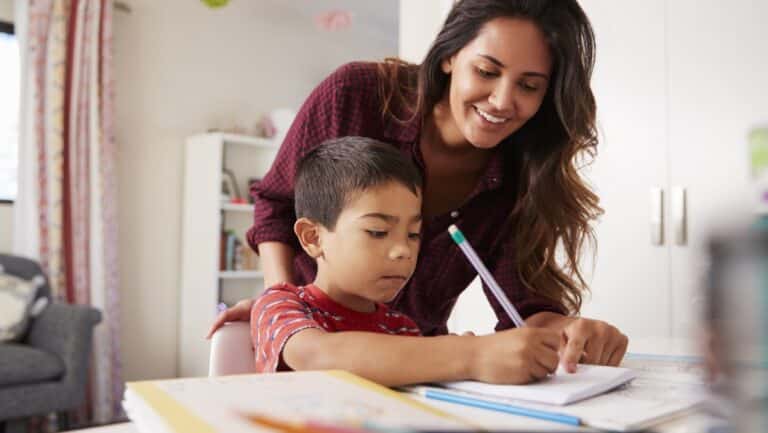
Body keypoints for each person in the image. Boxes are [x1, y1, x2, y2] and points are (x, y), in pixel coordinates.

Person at [209, 0, 629, 375]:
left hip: (416, 373)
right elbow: (277, 206)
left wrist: (567, 331)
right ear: (449, 56)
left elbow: (523, 310)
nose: (502, 100)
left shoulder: (523, 177)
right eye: (486, 71)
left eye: (529, 85)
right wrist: (280, 300)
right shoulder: (355, 95)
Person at [252, 137, 561, 386]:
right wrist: (470, 355)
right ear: (313, 237)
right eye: (378, 231)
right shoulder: (280, 305)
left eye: (413, 234)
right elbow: (319, 356)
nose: (403, 250)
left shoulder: (400, 328)